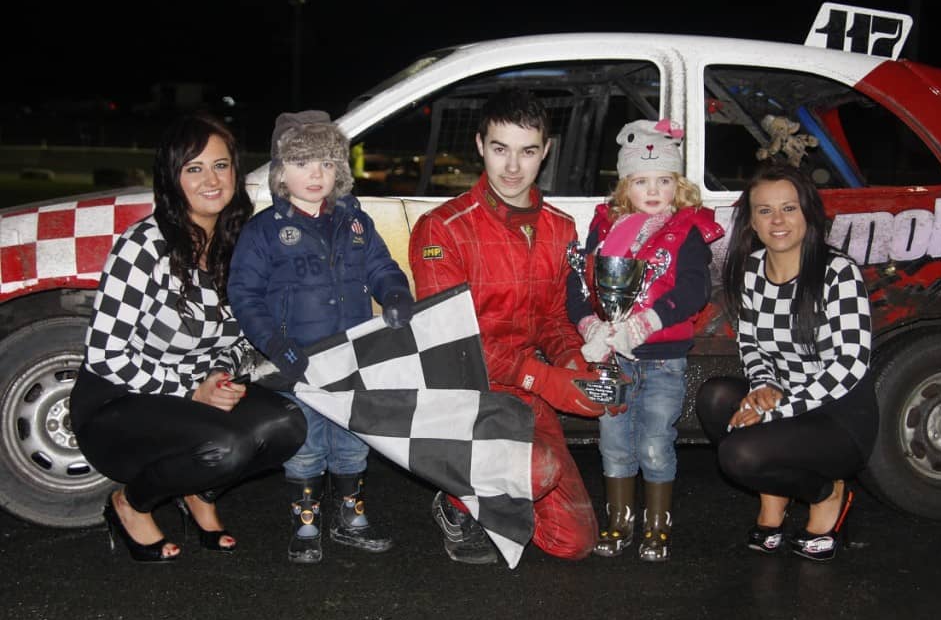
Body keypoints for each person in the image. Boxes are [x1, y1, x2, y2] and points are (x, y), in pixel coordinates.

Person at [69, 113, 307, 564]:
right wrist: (190, 389)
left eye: (220, 165)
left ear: (236, 171)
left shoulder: (241, 245)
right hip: (118, 401)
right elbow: (105, 356)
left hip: (194, 392)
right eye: (193, 169)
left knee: (287, 425)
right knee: (227, 446)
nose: (211, 180)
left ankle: (199, 489)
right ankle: (132, 503)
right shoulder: (144, 246)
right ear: (172, 177)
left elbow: (250, 337)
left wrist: (223, 374)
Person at [409, 87, 614, 565]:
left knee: (574, 542)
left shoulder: (560, 226)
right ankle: (457, 497)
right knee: (536, 472)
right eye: (500, 149)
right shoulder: (443, 227)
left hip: (524, 391)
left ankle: (492, 490)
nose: (513, 167)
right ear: (480, 145)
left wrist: (574, 363)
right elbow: (449, 344)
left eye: (527, 151)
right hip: (465, 391)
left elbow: (554, 318)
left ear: (546, 150)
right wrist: (544, 377)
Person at [228, 110, 414, 564]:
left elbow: (379, 265)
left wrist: (393, 291)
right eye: (302, 162)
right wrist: (274, 343)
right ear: (279, 173)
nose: (315, 174)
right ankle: (306, 522)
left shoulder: (355, 222)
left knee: (352, 441)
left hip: (351, 358)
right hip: (300, 362)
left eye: (327, 163)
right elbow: (245, 295)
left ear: (340, 172)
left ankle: (351, 517)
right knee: (307, 445)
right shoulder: (264, 232)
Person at [694, 162, 878, 562]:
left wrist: (777, 410)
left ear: (808, 214)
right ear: (752, 224)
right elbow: (753, 346)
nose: (777, 220)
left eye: (789, 208)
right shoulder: (750, 272)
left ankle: (827, 493)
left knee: (738, 455)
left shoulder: (838, 272)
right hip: (786, 403)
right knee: (714, 398)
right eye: (765, 211)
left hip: (839, 415)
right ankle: (773, 501)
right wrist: (761, 387)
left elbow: (849, 364)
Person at [567, 119, 724, 562]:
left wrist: (648, 322)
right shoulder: (603, 229)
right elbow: (580, 286)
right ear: (625, 186)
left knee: (656, 442)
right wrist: (589, 326)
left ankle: (658, 525)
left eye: (663, 180)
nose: (653, 190)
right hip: (612, 358)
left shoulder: (687, 230)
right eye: (641, 181)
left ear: (678, 184)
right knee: (613, 441)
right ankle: (620, 521)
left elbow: (694, 290)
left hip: (662, 359)